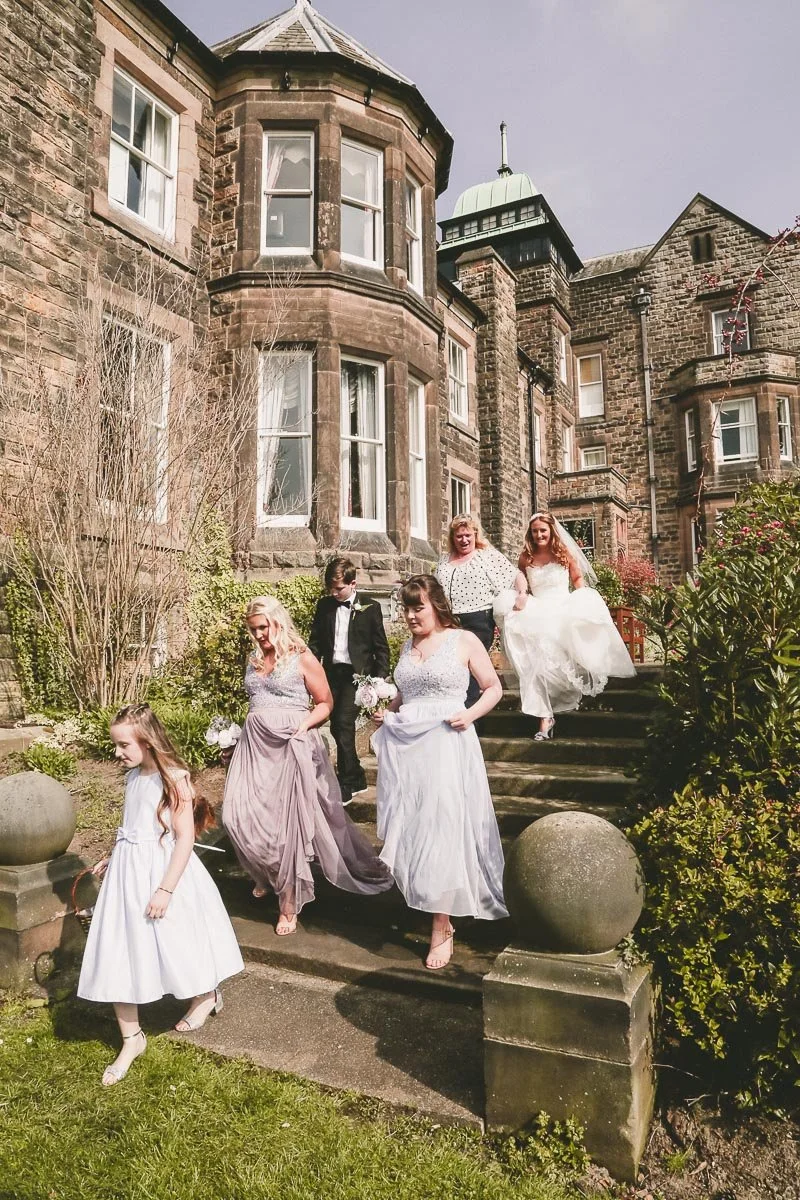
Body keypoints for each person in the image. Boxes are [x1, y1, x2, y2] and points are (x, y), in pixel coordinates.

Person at [77, 704, 244, 1087]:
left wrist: (166, 889)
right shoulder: (134, 777)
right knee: (118, 947)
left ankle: (204, 995)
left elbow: (184, 839)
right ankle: (131, 1037)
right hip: (128, 874)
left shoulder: (175, 780)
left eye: (124, 745)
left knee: (176, 943)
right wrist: (114, 855)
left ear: (148, 742)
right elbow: (134, 827)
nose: (117, 752)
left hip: (165, 873)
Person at [222, 595, 393, 935]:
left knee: (285, 828)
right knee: (234, 816)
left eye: (263, 627)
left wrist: (304, 726)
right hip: (254, 746)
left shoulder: (301, 657)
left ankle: (288, 902)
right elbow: (256, 702)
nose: (258, 635)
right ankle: (266, 873)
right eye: (253, 629)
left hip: (291, 744)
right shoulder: (253, 659)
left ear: (277, 622)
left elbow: (325, 702)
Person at [371, 574, 508, 971]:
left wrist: (470, 714)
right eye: (406, 609)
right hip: (408, 748)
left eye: (418, 608)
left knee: (442, 827)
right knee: (415, 827)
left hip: (447, 742)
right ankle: (427, 898)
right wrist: (387, 710)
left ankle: (442, 925)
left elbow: (493, 687)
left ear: (436, 605)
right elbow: (406, 691)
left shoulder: (463, 640)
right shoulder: (406, 646)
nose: (411, 616)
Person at [494, 512, 636, 739]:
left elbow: (577, 579)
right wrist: (521, 594)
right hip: (538, 611)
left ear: (551, 531)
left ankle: (557, 703)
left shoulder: (564, 553)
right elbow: (521, 580)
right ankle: (544, 717)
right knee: (535, 663)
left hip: (562, 608)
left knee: (556, 663)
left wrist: (583, 600)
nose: (539, 535)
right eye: (535, 531)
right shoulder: (526, 556)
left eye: (543, 530)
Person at [307, 556, 390, 802]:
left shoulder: (370, 607)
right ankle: (356, 775)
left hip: (357, 678)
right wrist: (307, 671)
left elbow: (381, 648)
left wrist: (378, 682)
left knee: (343, 722)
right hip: (331, 674)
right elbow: (315, 643)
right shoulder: (324, 606)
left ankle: (347, 782)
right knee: (335, 725)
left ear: (353, 584)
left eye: (339, 588)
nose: (334, 593)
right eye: (331, 589)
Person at [434, 515, 527, 705]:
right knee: (451, 668)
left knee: (470, 669)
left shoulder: (486, 556)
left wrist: (522, 594)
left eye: (468, 535)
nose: (464, 540)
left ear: (475, 535)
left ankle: (469, 716)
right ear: (452, 538)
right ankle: (454, 712)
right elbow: (434, 588)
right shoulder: (444, 561)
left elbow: (515, 575)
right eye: (459, 536)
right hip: (449, 621)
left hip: (478, 620)